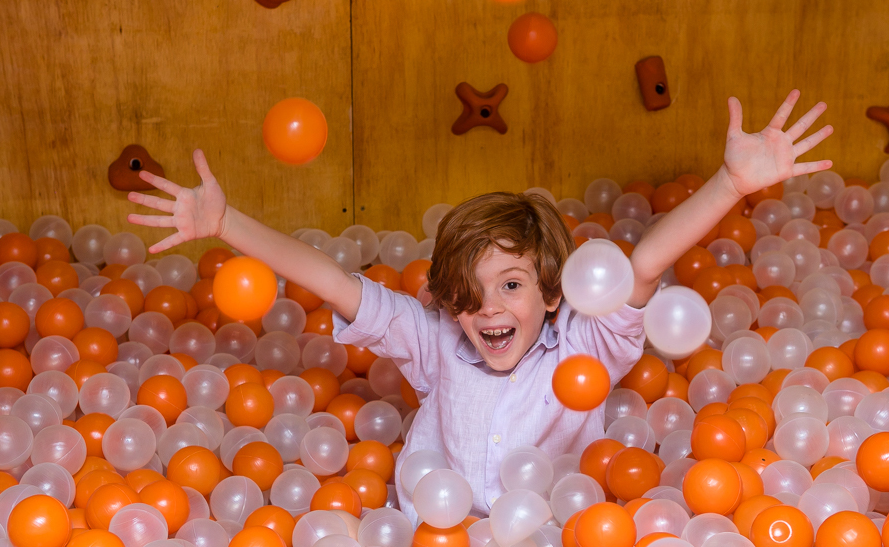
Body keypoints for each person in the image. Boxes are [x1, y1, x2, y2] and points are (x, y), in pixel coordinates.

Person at [127, 91, 832, 521]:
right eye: (471, 290)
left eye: (512, 285)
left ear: (553, 292)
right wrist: (226, 224)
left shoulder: (583, 346)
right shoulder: (436, 341)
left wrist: (730, 184)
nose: (489, 308)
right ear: (448, 299)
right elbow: (332, 280)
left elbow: (643, 264)